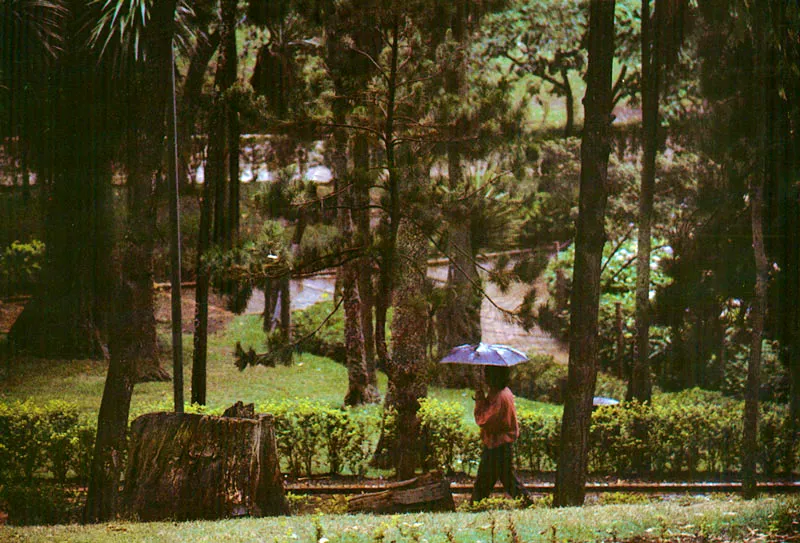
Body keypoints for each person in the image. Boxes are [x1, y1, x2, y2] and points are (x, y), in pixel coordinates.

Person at [471, 365, 533, 505]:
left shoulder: (499, 397)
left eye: (487, 374)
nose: (485, 378)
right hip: (500, 443)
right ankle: (527, 502)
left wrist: (480, 401)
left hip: (497, 444)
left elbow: (485, 420)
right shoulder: (503, 392)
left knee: (488, 479)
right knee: (502, 479)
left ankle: (475, 505)